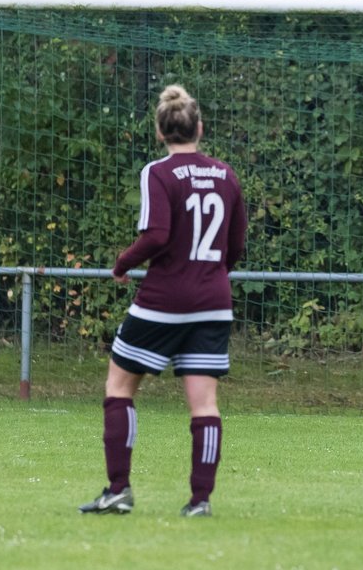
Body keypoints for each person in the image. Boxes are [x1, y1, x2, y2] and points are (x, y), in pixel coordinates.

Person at [79, 84, 247, 517]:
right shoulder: (227, 175)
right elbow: (235, 248)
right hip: (213, 301)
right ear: (200, 128)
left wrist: (120, 264)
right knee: (205, 403)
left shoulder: (159, 172)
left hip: (163, 300)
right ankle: (200, 501)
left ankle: (118, 490)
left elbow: (156, 236)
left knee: (119, 387)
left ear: (160, 131)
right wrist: (210, 276)